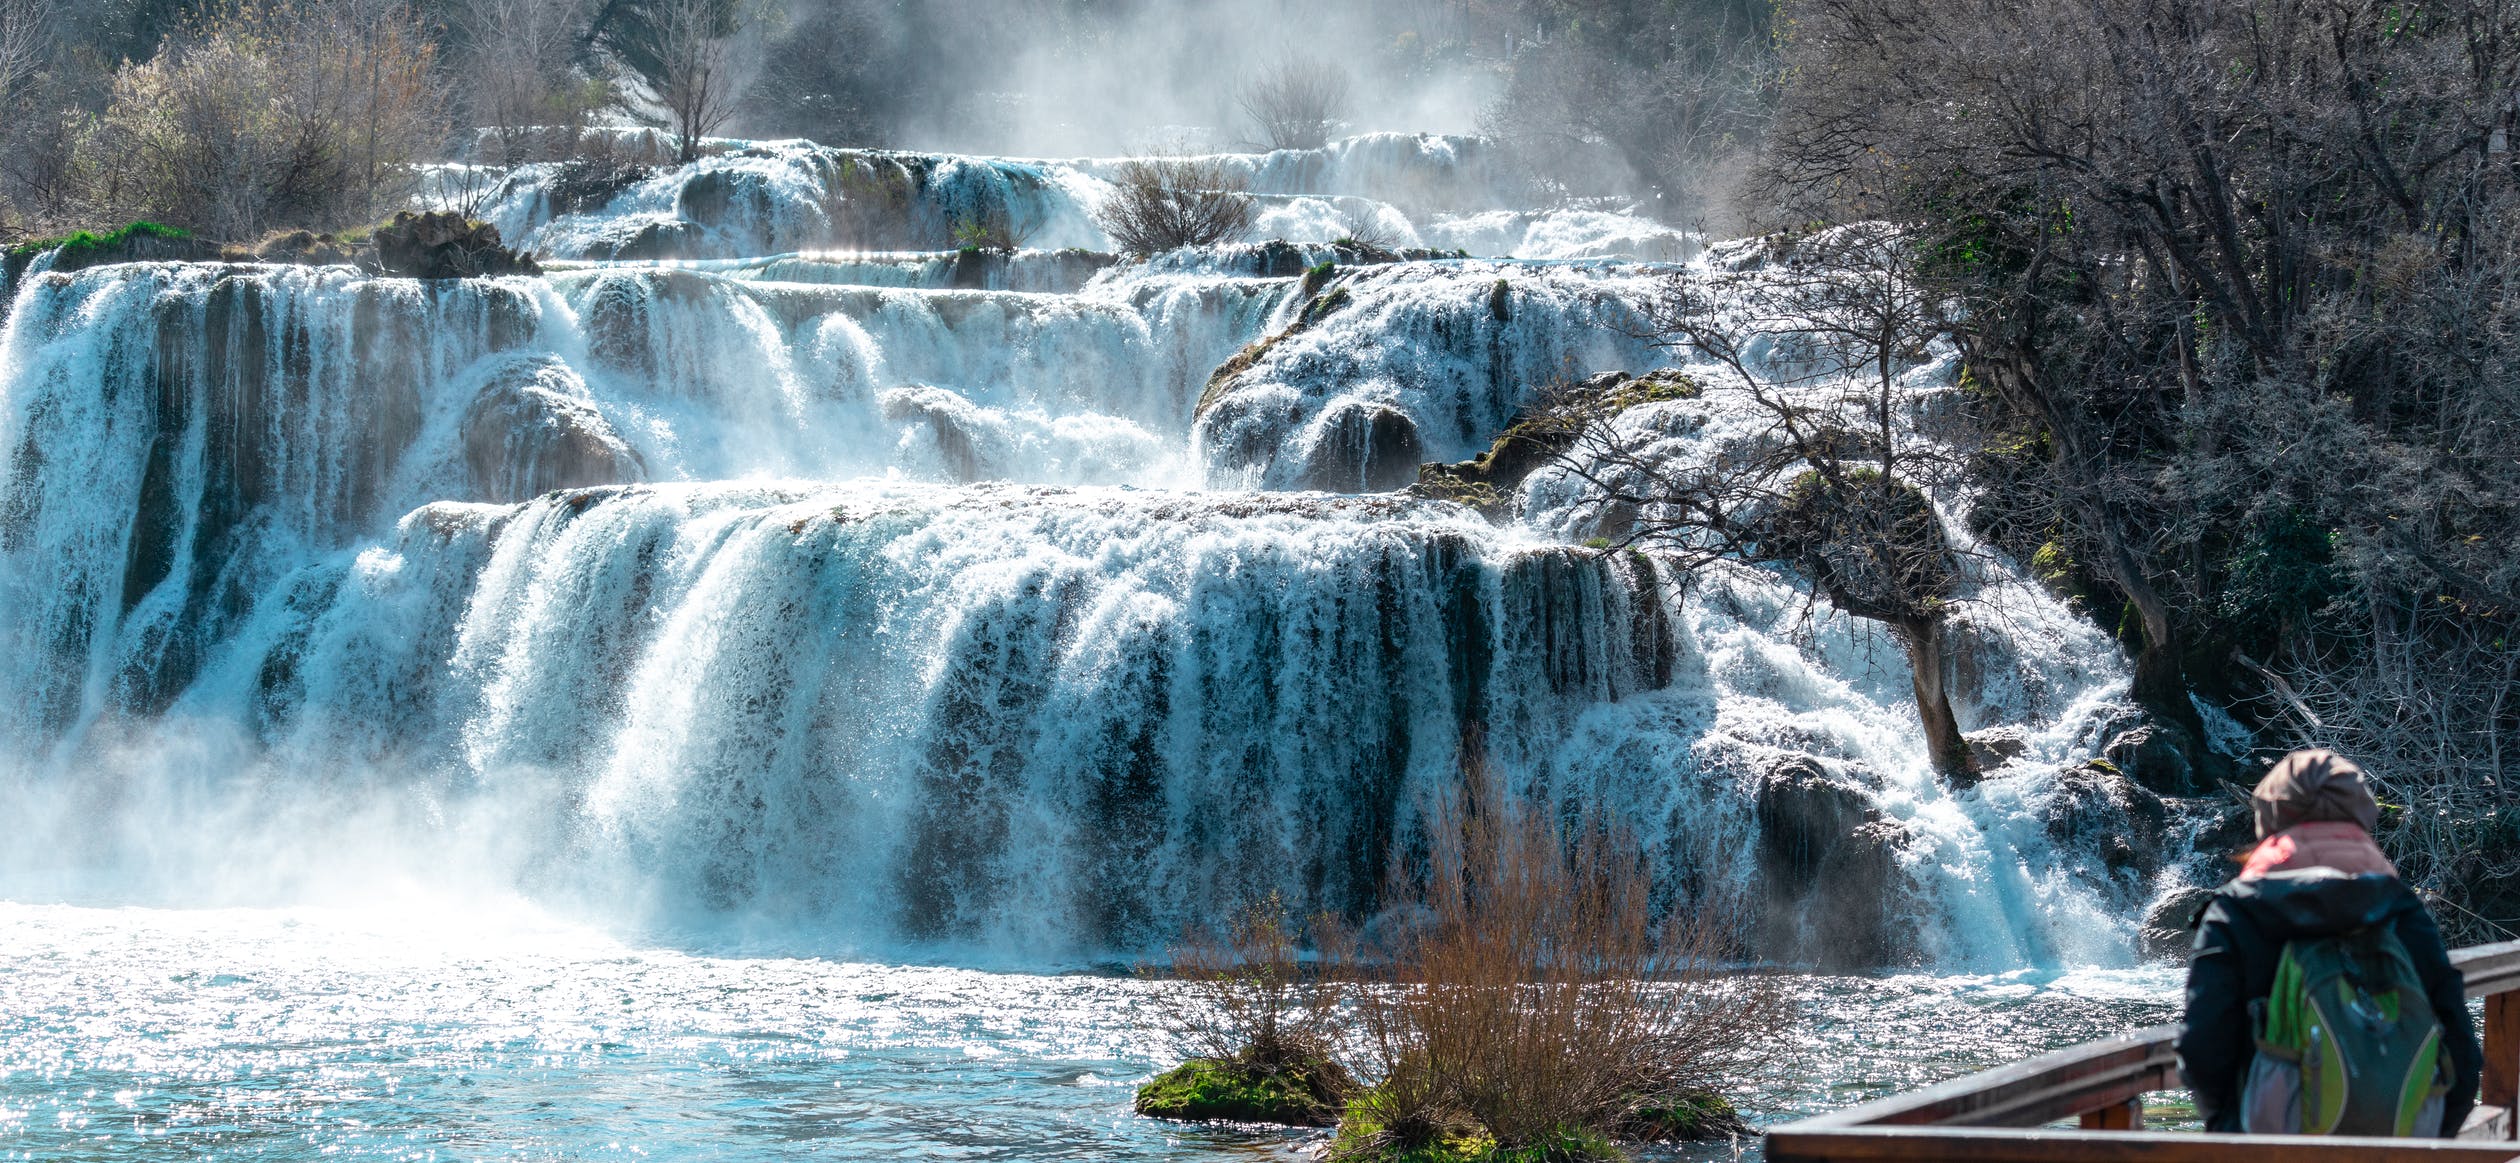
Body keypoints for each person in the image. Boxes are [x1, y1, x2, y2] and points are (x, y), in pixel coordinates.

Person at [2176, 748, 2481, 1136]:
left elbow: (2202, 1048)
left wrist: (2230, 1131)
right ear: (2363, 814)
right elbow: (2459, 1046)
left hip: (2268, 1149)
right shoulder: (2400, 909)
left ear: (2268, 815)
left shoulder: (2236, 912)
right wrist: (2426, 1140)